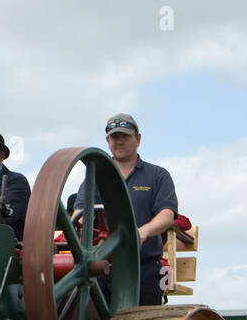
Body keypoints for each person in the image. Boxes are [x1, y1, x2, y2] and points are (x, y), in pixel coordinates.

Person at [76, 114, 178, 306]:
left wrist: (142, 232)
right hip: (102, 270)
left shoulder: (158, 176)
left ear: (138, 139)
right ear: (107, 141)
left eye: (125, 136)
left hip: (144, 269)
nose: (119, 141)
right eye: (115, 137)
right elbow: (80, 215)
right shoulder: (95, 178)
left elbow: (167, 215)